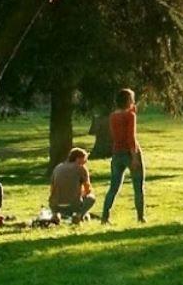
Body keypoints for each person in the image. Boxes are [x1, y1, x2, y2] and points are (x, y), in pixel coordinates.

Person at [100, 88, 145, 223]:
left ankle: (105, 216)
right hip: (130, 152)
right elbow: (131, 136)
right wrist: (135, 157)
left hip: (117, 152)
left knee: (113, 187)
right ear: (129, 100)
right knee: (138, 187)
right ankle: (140, 217)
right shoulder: (130, 116)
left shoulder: (113, 116)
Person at [49, 148, 96, 223]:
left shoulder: (58, 167)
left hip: (55, 205)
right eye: (85, 159)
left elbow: (52, 189)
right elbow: (88, 190)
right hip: (73, 205)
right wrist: (81, 194)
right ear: (78, 159)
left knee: (59, 201)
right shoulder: (81, 168)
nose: (86, 161)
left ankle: (56, 214)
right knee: (91, 198)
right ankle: (78, 215)